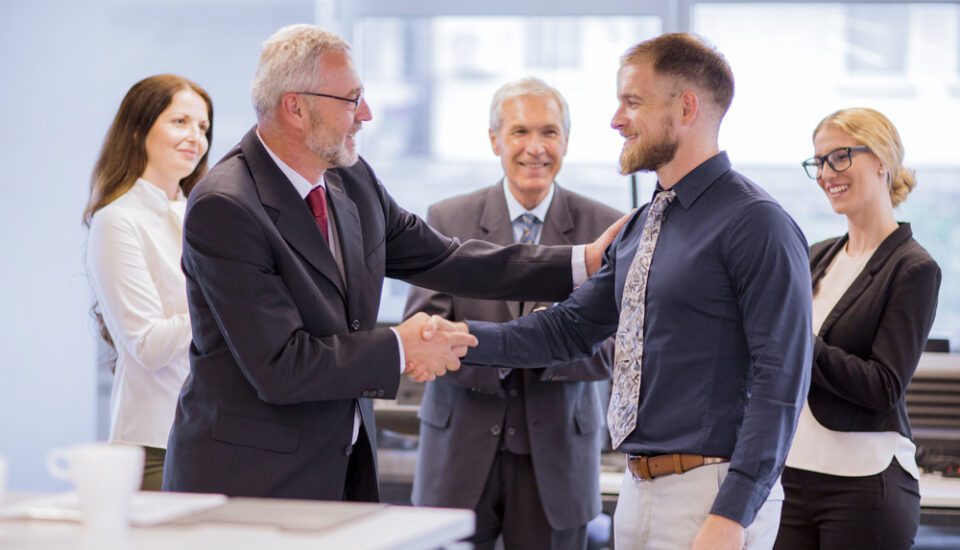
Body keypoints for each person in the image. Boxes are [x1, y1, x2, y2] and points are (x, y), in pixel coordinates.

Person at [161, 25, 621, 502]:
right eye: (351, 99)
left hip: (339, 469)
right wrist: (402, 347)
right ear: (296, 107)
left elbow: (446, 257)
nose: (366, 114)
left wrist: (581, 262)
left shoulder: (351, 179)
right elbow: (282, 365)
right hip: (245, 484)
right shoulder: (226, 205)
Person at [435, 33, 814, 549]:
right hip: (638, 490)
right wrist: (457, 338)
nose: (616, 120)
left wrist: (733, 514)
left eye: (632, 102)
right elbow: (567, 329)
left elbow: (782, 380)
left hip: (713, 494)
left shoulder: (757, 223)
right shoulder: (644, 224)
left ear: (685, 107)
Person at [405, 77, 622, 549]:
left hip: (559, 459)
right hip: (458, 452)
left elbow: (612, 351)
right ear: (494, 139)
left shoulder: (603, 227)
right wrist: (519, 343)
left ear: (566, 140)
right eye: (520, 132)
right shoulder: (447, 220)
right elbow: (425, 336)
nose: (535, 148)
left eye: (550, 132)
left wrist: (522, 347)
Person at [775, 108, 942, 550]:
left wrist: (797, 341)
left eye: (840, 156)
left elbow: (883, 386)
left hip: (864, 487)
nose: (827, 173)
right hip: (789, 477)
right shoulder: (815, 256)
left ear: (882, 160)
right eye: (819, 162)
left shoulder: (913, 268)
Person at [84, 74, 213, 490]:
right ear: (139, 128)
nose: (195, 136)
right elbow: (147, 345)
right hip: (155, 444)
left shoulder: (203, 214)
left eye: (203, 127)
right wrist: (228, 300)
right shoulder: (117, 220)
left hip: (217, 437)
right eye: (180, 121)